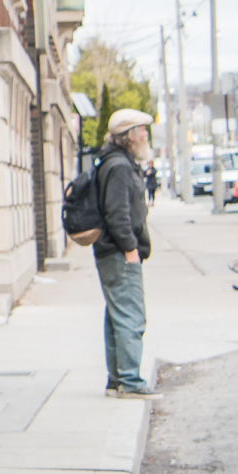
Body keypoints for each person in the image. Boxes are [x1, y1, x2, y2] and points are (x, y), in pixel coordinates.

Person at [96, 108, 156, 399]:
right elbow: (117, 214)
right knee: (131, 316)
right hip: (120, 254)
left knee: (116, 316)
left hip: (112, 252)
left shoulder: (116, 162)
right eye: (142, 129)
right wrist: (131, 249)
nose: (145, 134)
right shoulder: (119, 166)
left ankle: (116, 380)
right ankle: (130, 382)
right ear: (129, 136)